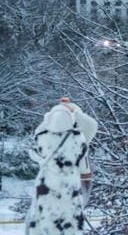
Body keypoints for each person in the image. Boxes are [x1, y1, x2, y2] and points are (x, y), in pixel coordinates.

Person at [26, 100, 98, 235]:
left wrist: (52, 114)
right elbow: (91, 125)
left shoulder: (45, 138)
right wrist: (75, 112)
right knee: (70, 219)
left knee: (46, 219)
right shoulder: (78, 137)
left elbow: (38, 131)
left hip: (50, 185)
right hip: (75, 182)